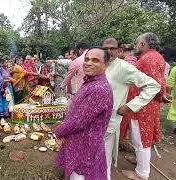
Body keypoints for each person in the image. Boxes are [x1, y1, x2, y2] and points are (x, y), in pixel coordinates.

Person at [102, 38, 161, 180]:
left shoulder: (123, 67)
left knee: (104, 160)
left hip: (109, 122)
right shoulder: (100, 65)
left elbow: (153, 86)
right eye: (106, 48)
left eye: (112, 48)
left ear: (118, 50)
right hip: (92, 121)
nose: (109, 51)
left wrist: (130, 106)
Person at [55, 47, 113, 180]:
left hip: (85, 147)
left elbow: (78, 121)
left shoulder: (99, 89)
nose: (88, 63)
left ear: (106, 65)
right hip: (80, 142)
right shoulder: (91, 82)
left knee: (80, 175)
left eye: (95, 60)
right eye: (86, 59)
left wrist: (59, 130)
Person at [122, 33, 168, 180]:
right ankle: (139, 161)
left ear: (143, 44)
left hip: (143, 107)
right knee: (140, 137)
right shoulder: (155, 57)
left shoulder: (148, 58)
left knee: (141, 138)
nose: (136, 45)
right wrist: (162, 95)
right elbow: (161, 81)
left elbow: (156, 85)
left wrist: (161, 95)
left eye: (137, 43)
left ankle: (141, 173)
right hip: (145, 104)